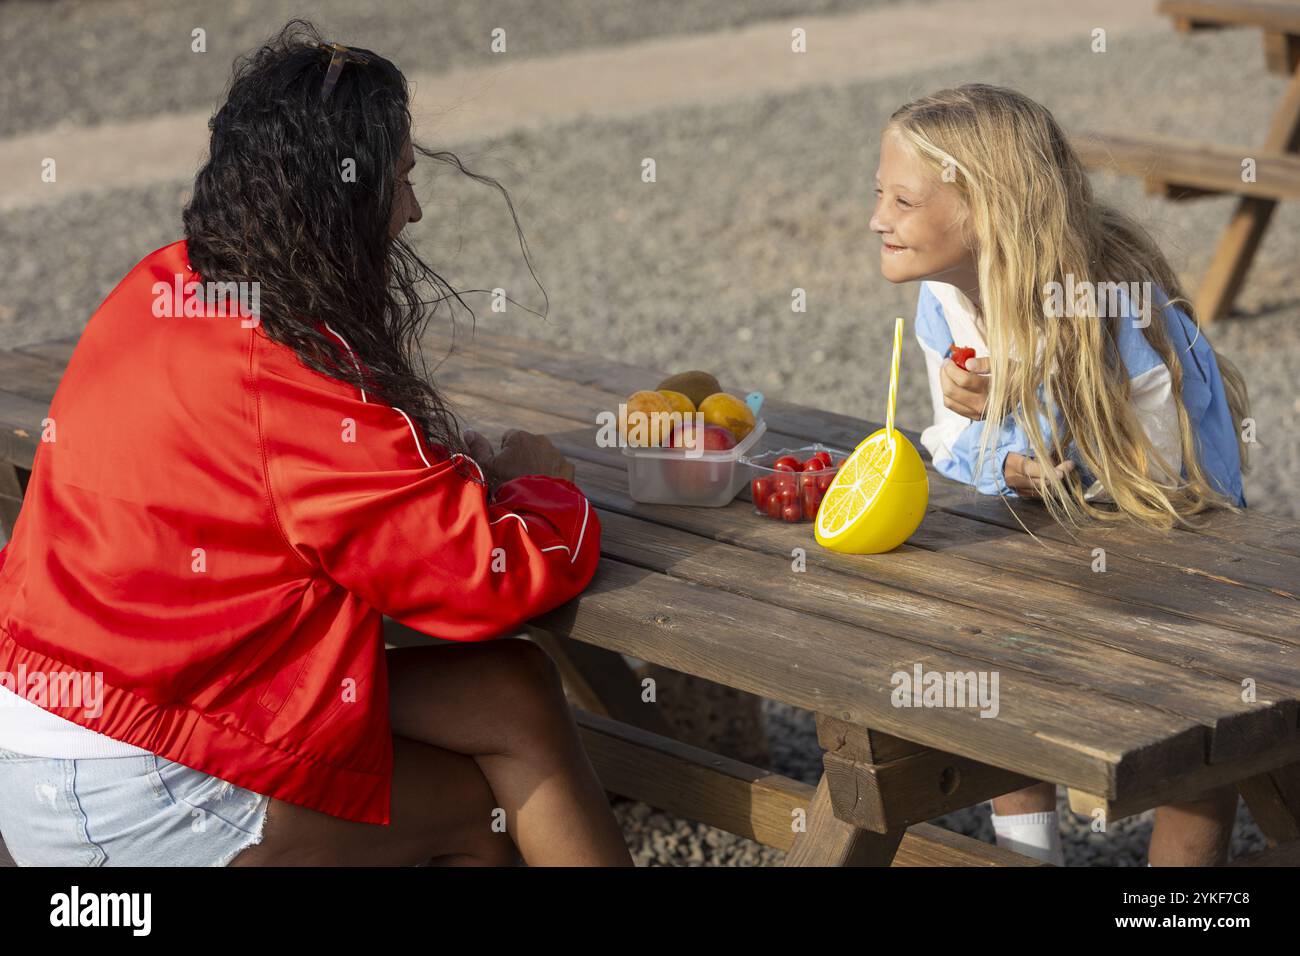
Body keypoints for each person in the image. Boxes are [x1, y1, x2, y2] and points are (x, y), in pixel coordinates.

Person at [0, 20, 632, 867]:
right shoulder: (291, 375)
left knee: (512, 692)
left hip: (75, 711)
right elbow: (485, 579)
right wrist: (545, 488)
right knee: (482, 813)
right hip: (128, 785)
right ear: (343, 200)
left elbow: (292, 488)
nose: (414, 208)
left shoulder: (166, 283)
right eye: (401, 181)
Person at [870, 84, 1248, 866]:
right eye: (880, 195)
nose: (878, 220)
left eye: (903, 201)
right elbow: (945, 443)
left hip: (1175, 546)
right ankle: (1029, 854)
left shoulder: (1115, 317)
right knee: (999, 663)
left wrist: (1045, 415)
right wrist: (996, 451)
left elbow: (1169, 477)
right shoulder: (945, 299)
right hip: (1044, 533)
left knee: (1204, 743)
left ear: (987, 213)